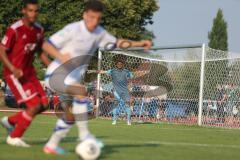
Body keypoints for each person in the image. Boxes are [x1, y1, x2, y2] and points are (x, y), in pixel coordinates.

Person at [42, 0, 151, 155]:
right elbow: (46, 44)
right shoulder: (72, 29)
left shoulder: (99, 33)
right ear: (84, 14)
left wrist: (140, 43)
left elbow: (118, 43)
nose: (94, 22)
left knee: (71, 115)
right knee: (81, 91)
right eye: (91, 17)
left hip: (71, 79)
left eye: (98, 18)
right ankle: (85, 136)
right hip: (56, 74)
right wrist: (60, 55)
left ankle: (51, 145)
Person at [0, 0, 50, 147]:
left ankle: (9, 121)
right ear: (24, 11)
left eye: (36, 11)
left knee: (44, 104)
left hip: (30, 74)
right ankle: (14, 137)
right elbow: (2, 50)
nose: (33, 14)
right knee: (34, 106)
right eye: (30, 10)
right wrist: (13, 68)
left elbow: (40, 52)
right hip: (15, 74)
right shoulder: (15, 29)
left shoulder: (39, 30)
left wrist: (52, 67)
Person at [100, 59, 134, 125]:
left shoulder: (127, 72)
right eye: (118, 64)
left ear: (123, 65)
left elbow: (131, 79)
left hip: (125, 91)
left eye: (121, 64)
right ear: (116, 65)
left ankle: (128, 120)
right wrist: (97, 71)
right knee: (115, 105)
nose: (119, 65)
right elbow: (104, 72)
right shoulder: (112, 71)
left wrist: (130, 87)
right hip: (116, 91)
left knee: (127, 105)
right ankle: (114, 120)